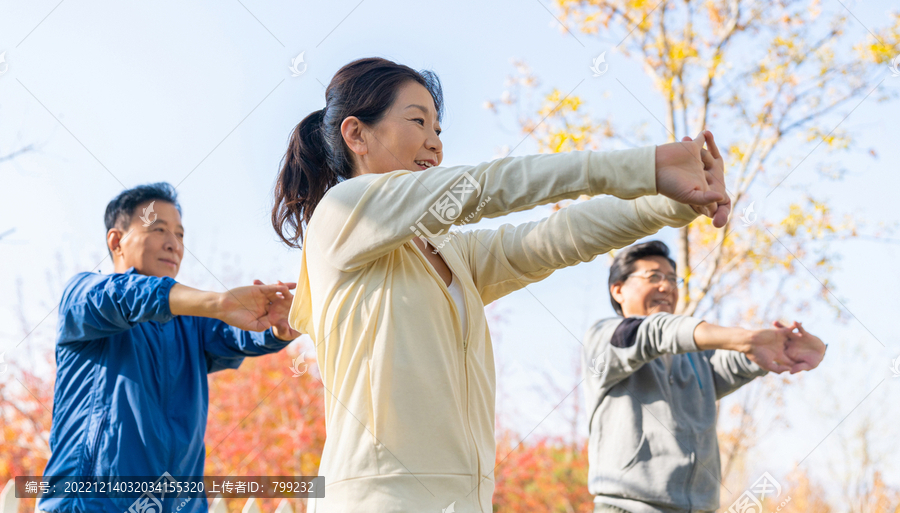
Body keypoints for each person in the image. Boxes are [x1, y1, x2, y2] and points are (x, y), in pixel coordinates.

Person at [270, 56, 733, 513]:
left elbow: (557, 238)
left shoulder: (447, 251)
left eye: (438, 131)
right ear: (357, 134)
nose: (435, 145)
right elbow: (484, 186)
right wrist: (646, 166)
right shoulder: (341, 212)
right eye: (418, 122)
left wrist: (672, 203)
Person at [38, 182, 301, 513]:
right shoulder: (85, 295)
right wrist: (217, 302)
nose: (174, 244)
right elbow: (127, 296)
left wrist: (277, 328)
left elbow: (235, 335)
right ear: (117, 241)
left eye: (180, 235)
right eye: (158, 229)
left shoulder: (190, 323)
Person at [582, 240, 827, 513]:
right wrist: (745, 338)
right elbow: (654, 332)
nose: (667, 287)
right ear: (618, 289)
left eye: (673, 280)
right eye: (653, 277)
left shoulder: (696, 360)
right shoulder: (606, 338)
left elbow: (741, 360)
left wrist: (787, 348)